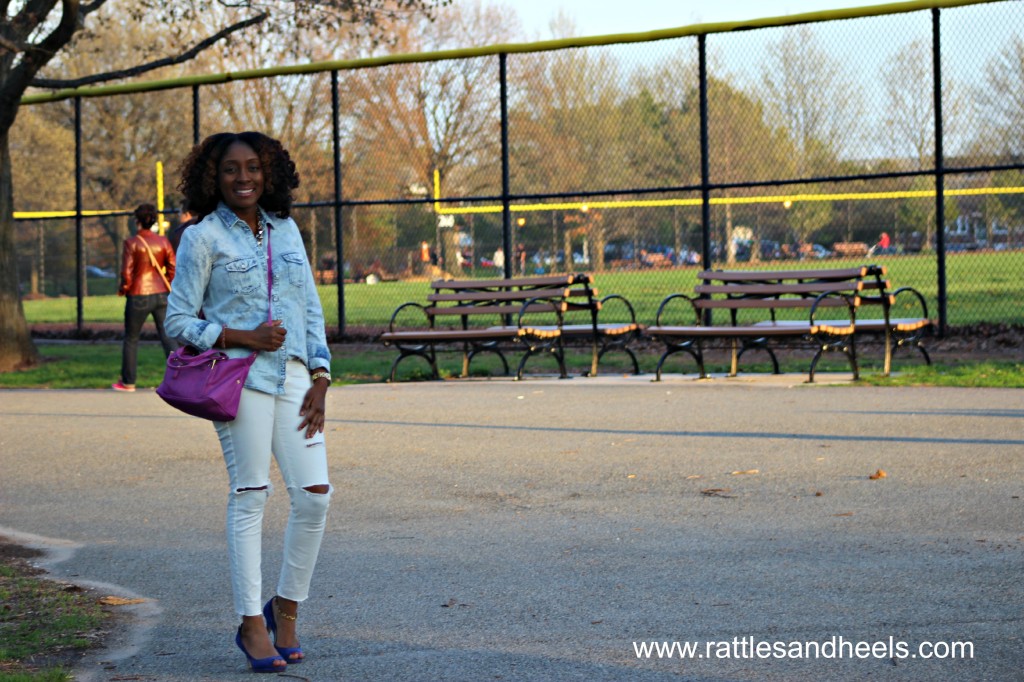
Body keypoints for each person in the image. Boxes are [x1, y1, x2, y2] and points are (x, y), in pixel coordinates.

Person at [165, 132, 332, 674]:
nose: (243, 178)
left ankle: (285, 609)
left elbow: (309, 308)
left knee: (314, 498)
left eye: (253, 168)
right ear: (213, 177)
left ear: (269, 173)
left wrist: (322, 375)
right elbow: (178, 322)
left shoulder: (286, 230)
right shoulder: (202, 237)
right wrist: (240, 336)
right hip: (240, 380)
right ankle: (250, 623)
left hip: (295, 379)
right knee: (251, 494)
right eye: (231, 169)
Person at [112, 203, 177, 392]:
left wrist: (124, 288)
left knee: (131, 339)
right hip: (161, 295)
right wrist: (167, 283)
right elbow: (173, 267)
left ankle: (128, 382)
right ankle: (180, 378)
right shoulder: (163, 242)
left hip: (138, 295)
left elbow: (127, 272)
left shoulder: (131, 243)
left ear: (137, 221)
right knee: (168, 338)